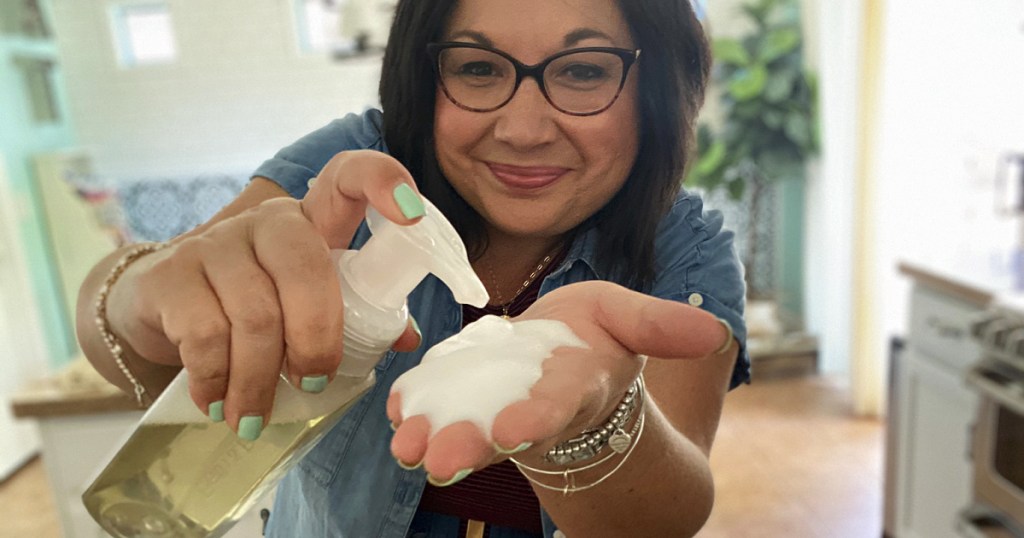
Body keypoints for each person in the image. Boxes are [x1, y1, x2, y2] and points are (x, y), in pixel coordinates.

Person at [76, 0, 749, 536]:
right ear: (426, 74)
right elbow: (138, 342)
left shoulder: (686, 246)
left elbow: (666, 518)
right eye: (479, 68)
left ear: (658, 86)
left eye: (583, 71)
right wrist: (135, 294)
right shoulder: (354, 167)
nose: (522, 128)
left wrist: (599, 424)